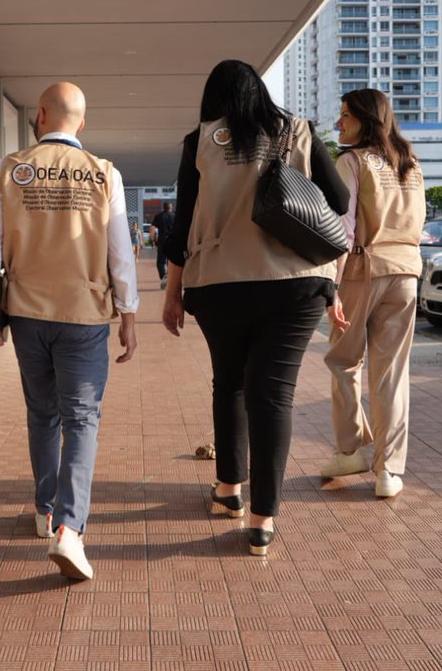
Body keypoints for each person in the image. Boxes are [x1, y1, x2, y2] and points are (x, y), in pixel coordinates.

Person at [160, 59, 349, 556]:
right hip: (297, 283)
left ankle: (229, 492)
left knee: (231, 383)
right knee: (275, 397)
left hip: (220, 281)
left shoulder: (199, 140)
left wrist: (173, 292)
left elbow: (180, 227)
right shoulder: (298, 130)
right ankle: (263, 521)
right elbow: (340, 200)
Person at [0, 82, 138, 581]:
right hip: (84, 313)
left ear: (40, 115)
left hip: (27, 312)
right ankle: (71, 529)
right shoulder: (104, 174)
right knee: (81, 419)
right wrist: (129, 312)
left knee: (42, 413)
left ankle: (45, 509)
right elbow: (120, 251)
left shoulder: (10, 169)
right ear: (81, 123)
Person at [320, 88, 426, 499]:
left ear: (367, 118)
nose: (339, 123)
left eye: (346, 115)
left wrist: (331, 288)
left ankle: (352, 448)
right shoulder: (411, 164)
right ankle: (388, 471)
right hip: (406, 273)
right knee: (391, 375)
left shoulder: (352, 162)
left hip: (363, 270)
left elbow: (342, 230)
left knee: (343, 362)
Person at [151, 202, 175, 288]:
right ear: (171, 208)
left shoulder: (159, 216)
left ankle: (164, 277)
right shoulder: (175, 216)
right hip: (173, 241)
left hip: (162, 241)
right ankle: (172, 280)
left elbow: (152, 228)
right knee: (172, 262)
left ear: (163, 208)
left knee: (160, 262)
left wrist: (153, 239)